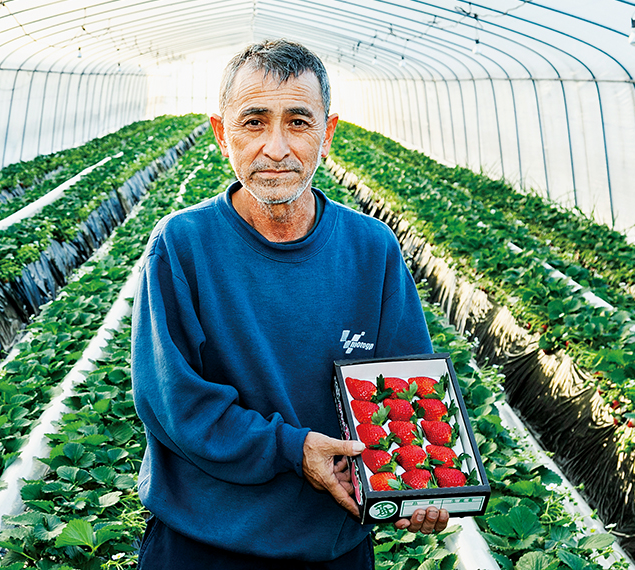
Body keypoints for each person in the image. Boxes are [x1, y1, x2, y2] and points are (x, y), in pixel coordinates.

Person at [131, 39, 449, 569]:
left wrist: (425, 483)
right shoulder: (182, 245)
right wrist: (293, 449)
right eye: (253, 122)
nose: (275, 147)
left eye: (298, 122)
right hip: (204, 543)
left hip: (332, 545)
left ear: (328, 134)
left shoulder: (372, 248)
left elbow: (408, 391)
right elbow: (175, 403)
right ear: (220, 134)